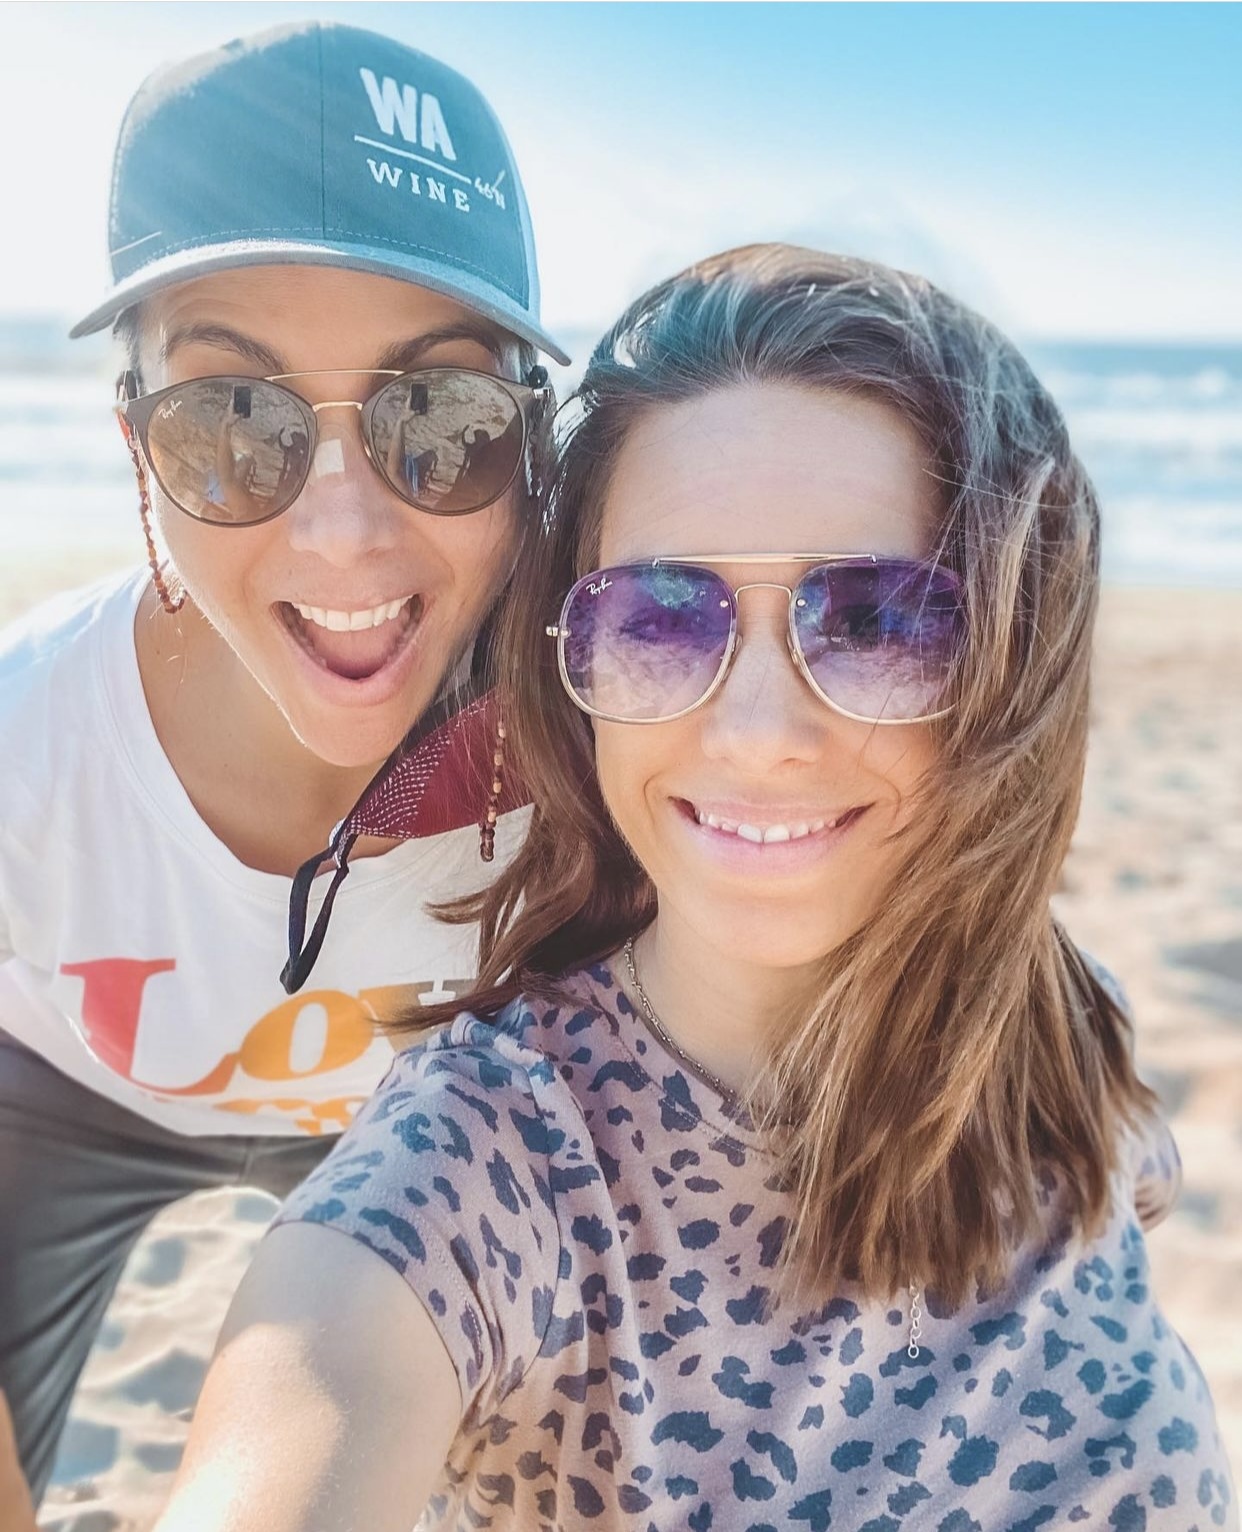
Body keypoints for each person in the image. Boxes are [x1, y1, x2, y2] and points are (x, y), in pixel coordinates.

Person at [154, 245, 1236, 1532]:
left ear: (1016, 663)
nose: (758, 731)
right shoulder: (484, 1170)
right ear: (574, 665)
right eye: (662, 616)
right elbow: (318, 1379)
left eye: (881, 618)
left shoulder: (1059, 1021)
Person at [0, 17, 567, 1515]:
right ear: (135, 447)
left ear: (540, 444)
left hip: (402, 1115)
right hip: (45, 1079)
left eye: (440, 421)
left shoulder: (602, 749)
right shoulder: (21, 749)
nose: (343, 534)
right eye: (232, 423)